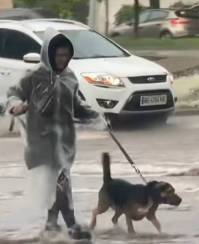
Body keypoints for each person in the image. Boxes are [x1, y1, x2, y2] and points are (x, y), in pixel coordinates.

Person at [7, 28, 98, 240]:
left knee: (60, 185)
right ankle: (71, 226)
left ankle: (51, 227)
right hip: (41, 142)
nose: (63, 59)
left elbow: (77, 105)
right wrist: (16, 106)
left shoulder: (70, 77)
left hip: (64, 142)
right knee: (58, 185)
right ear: (48, 54)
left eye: (66, 55)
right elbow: (12, 95)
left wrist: (97, 116)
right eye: (59, 55)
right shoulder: (34, 77)